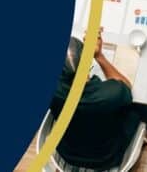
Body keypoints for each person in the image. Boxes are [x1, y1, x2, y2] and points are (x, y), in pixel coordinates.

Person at [49, 29, 140, 169]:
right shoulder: (111, 94)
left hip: (67, 153)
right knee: (134, 113)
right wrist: (99, 56)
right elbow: (126, 86)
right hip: (105, 158)